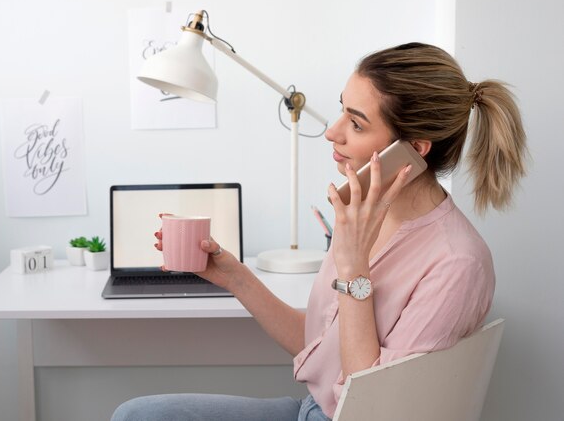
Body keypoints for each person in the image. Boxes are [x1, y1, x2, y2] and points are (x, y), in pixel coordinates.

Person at [111, 42, 527, 421]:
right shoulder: (361, 213)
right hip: (312, 409)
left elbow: (376, 411)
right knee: (135, 416)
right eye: (343, 108)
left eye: (358, 124)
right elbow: (316, 345)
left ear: (413, 150)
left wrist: (354, 269)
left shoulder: (457, 263)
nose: (332, 131)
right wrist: (232, 275)